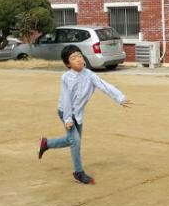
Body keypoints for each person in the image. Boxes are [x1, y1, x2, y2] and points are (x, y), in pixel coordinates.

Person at [37, 45, 132, 184]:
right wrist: (67, 119)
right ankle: (78, 173)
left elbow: (104, 85)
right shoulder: (66, 77)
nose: (78, 59)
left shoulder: (90, 75)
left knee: (73, 140)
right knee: (75, 141)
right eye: (73, 58)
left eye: (79, 56)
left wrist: (120, 98)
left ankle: (46, 143)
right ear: (68, 64)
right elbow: (66, 99)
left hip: (78, 113)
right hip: (65, 112)